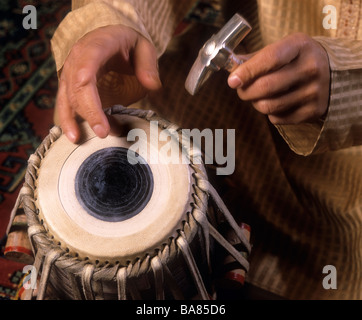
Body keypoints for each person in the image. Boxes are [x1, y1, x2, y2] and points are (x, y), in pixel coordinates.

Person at [51, 0, 362, 299]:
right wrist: (114, 18)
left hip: (350, 171)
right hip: (243, 102)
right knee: (129, 121)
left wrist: (347, 80)